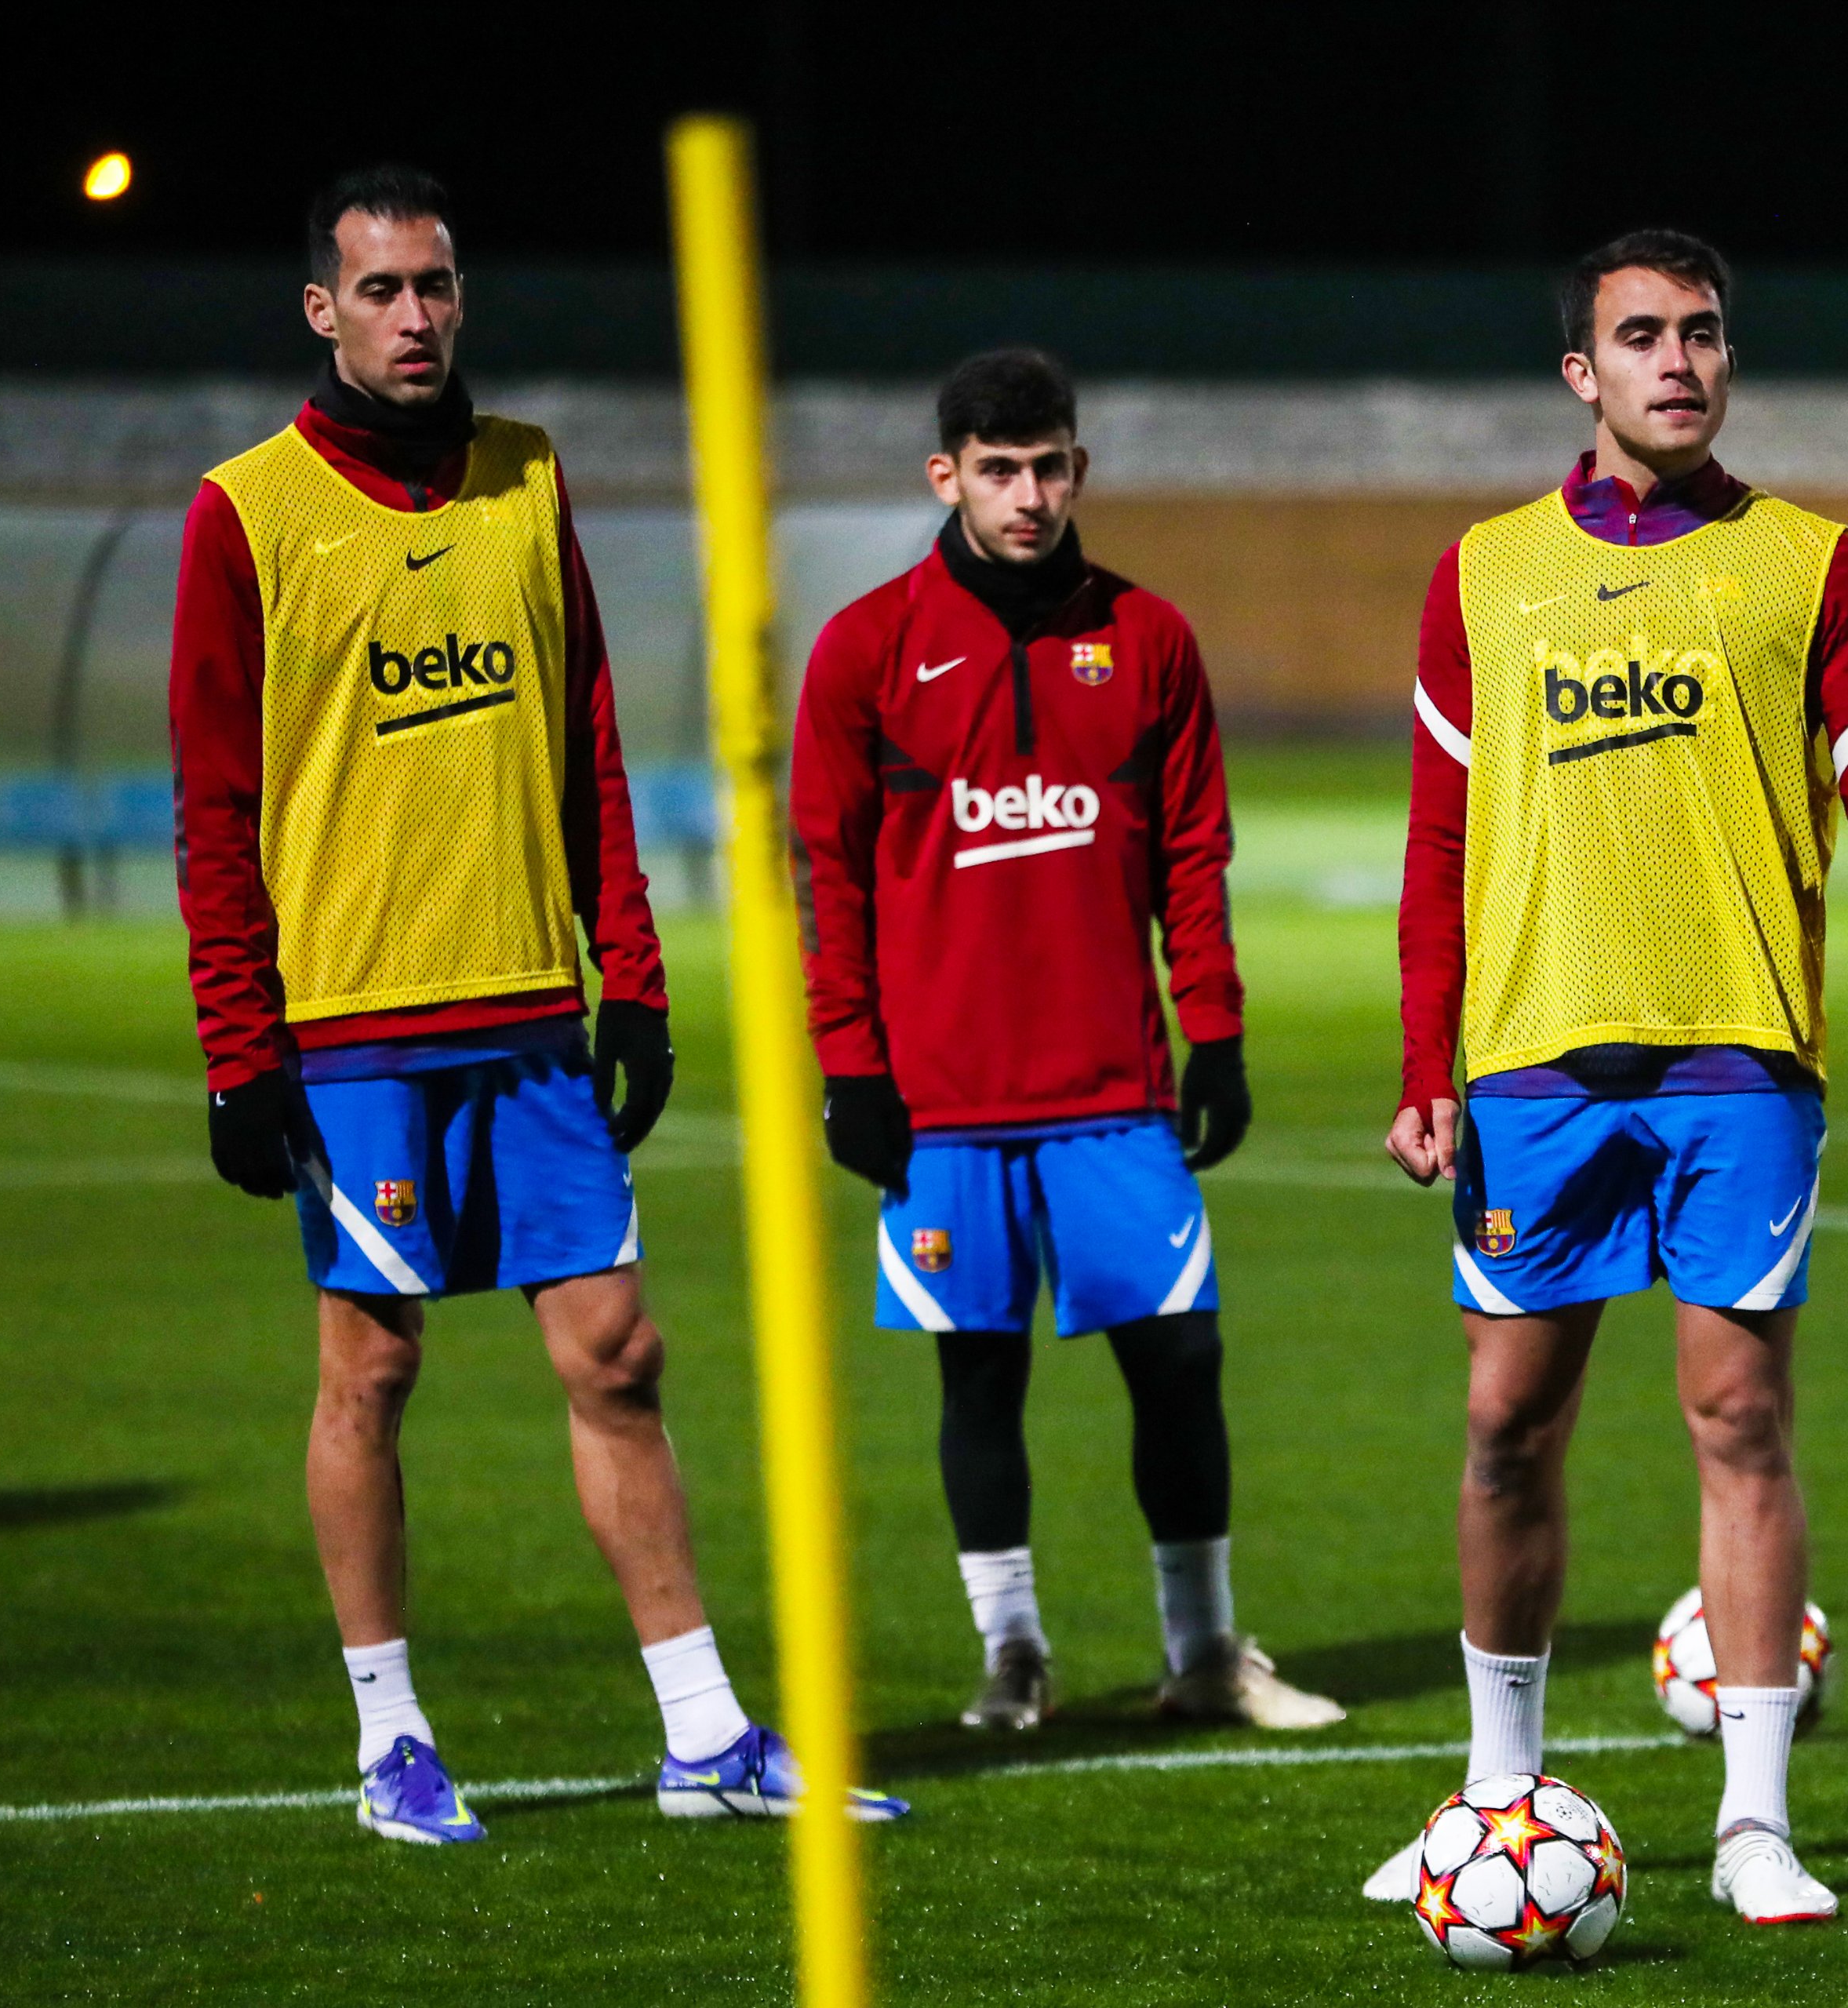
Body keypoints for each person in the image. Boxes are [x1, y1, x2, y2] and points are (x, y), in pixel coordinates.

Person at [170, 165, 901, 1842]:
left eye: (435, 286)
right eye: (379, 291)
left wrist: (627, 978)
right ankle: (388, 1737)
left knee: (618, 1351)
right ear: (320, 309)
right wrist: (239, 1047)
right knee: (371, 1367)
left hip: (530, 1016)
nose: (414, 317)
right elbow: (216, 802)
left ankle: (705, 1731)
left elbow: (585, 738)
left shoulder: (526, 475)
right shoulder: (247, 513)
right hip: (352, 1027)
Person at [1368, 231, 1848, 1925]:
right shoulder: (1481, 570)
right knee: (1503, 1425)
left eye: (1700, 333)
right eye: (1639, 337)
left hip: (1736, 1058)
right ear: (1582, 373)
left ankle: (1755, 1820)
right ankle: (1492, 1799)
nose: (1677, 362)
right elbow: (1435, 833)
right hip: (1531, 1066)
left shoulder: (1811, 566)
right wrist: (1425, 1054)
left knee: (1739, 1416)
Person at [791, 347, 1344, 1736]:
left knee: (1180, 1361)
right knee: (980, 1372)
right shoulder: (867, 647)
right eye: (998, 471)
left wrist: (1211, 1035)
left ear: (1079, 468)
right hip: (944, 1103)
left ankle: (1205, 1651)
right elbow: (829, 875)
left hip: (1114, 1096)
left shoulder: (1148, 637)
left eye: (1048, 467)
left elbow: (1195, 856)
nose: (1027, 496)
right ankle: (1015, 1653)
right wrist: (849, 1066)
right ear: (948, 476)